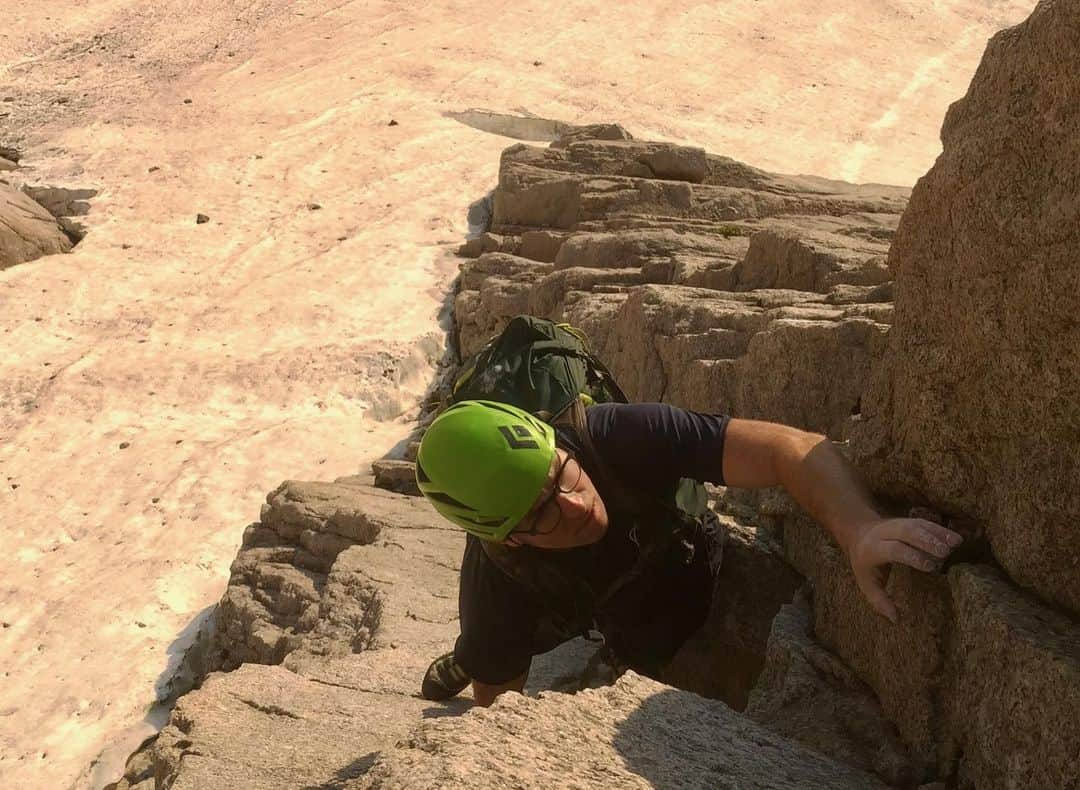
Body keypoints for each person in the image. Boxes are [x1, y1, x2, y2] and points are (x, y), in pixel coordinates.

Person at [416, 399, 962, 707]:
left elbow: (785, 447)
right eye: (541, 513)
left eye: (559, 473)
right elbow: (498, 712)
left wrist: (861, 529)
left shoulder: (611, 437)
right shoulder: (501, 579)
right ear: (506, 537)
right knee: (488, 652)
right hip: (613, 625)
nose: (575, 504)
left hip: (691, 564)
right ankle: (465, 655)